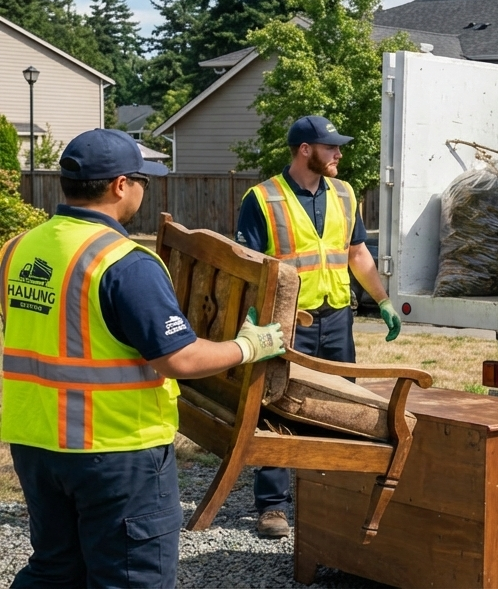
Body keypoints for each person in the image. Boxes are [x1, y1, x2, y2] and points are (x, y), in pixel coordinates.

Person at [1, 128, 286, 588]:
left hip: (35, 443)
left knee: (56, 570)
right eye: (142, 180)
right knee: (133, 579)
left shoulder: (16, 249)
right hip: (115, 451)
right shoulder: (124, 263)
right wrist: (250, 346)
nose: (143, 189)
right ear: (119, 185)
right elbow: (180, 359)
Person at [233, 115, 401, 539]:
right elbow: (249, 265)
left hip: (337, 316)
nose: (339, 154)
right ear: (305, 150)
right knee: (275, 407)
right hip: (286, 323)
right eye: (331, 147)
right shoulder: (263, 198)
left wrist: (381, 300)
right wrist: (252, 316)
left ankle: (332, 494)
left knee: (343, 407)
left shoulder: (345, 194)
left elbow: (357, 252)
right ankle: (273, 506)